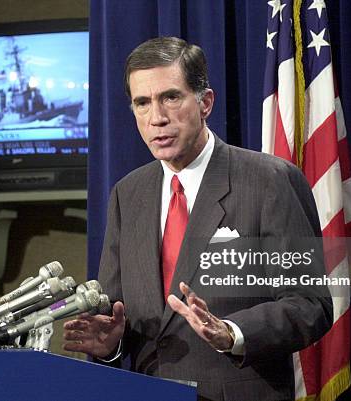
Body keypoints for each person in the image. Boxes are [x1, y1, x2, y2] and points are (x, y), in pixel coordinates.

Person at [63, 37, 333, 401]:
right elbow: (118, 312)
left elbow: (309, 304)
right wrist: (111, 343)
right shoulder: (127, 195)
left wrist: (232, 333)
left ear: (205, 102)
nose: (157, 117)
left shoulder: (268, 181)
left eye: (170, 97)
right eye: (142, 103)